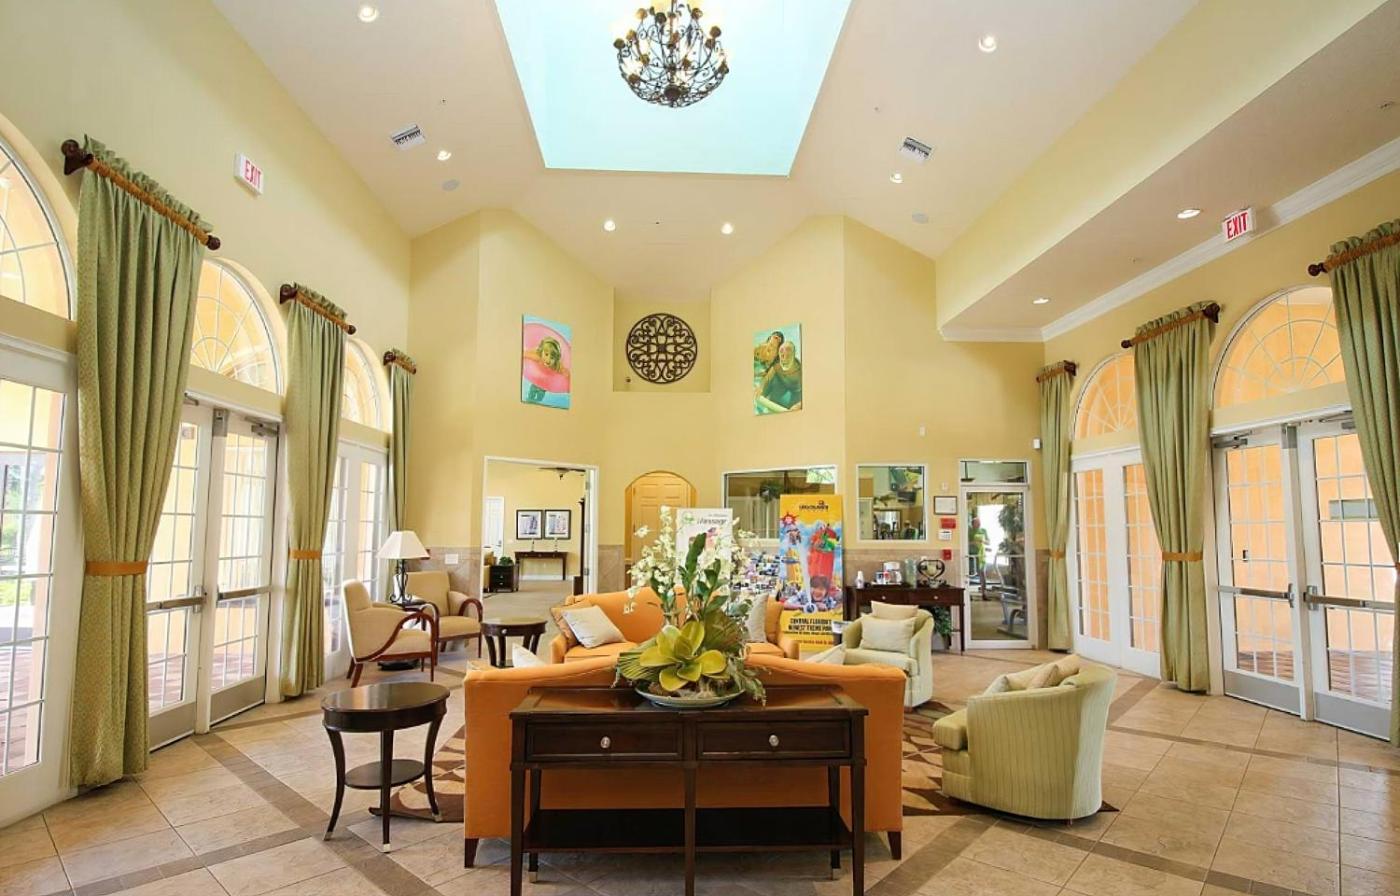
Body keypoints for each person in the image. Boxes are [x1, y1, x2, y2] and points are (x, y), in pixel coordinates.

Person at [756, 341, 802, 412]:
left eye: (788, 350)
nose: (784, 354)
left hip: (796, 393)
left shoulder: (801, 370)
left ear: (794, 353)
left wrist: (799, 405)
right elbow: (765, 380)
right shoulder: (776, 367)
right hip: (781, 388)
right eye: (781, 351)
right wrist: (760, 388)